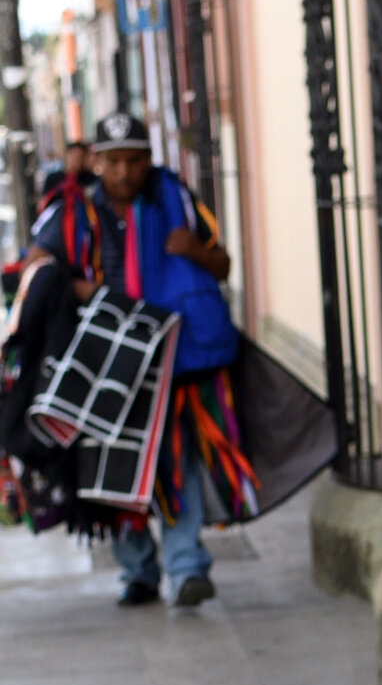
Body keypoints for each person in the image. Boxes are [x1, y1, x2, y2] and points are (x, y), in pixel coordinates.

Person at [32, 111, 248, 607]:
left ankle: (186, 565)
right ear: (96, 162)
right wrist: (73, 285)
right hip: (106, 362)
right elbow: (37, 264)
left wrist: (194, 249)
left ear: (149, 160)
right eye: (112, 162)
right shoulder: (72, 213)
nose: (124, 173)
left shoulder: (177, 201)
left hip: (173, 357)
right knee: (111, 464)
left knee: (177, 461)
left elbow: (224, 263)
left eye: (133, 161)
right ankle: (136, 571)